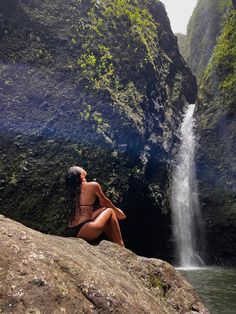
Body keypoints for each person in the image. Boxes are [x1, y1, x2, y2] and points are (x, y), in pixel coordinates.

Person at [65, 166, 126, 247]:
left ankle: (115, 244)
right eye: (80, 168)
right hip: (85, 228)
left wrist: (102, 209)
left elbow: (100, 209)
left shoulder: (73, 191)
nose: (82, 167)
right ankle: (120, 244)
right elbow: (106, 202)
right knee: (110, 211)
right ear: (81, 176)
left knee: (103, 211)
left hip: (72, 230)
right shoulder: (93, 185)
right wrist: (118, 212)